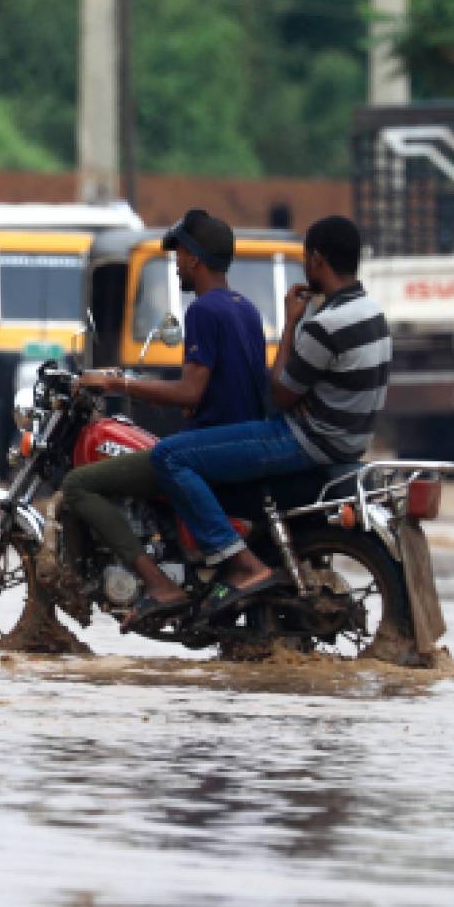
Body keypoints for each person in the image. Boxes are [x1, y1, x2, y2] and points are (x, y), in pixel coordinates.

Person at [149, 215, 391, 620]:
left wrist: (292, 321)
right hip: (348, 442)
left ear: (316, 260)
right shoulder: (372, 314)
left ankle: (242, 566)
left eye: (305, 259)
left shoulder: (324, 325)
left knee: (169, 457)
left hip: (305, 440)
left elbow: (280, 394)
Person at [58, 208, 269, 628]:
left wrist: (119, 384)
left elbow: (190, 390)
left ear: (194, 257)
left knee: (78, 485)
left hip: (207, 451)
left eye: (178, 257)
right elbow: (211, 391)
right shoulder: (245, 309)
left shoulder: (204, 311)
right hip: (236, 442)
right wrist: (170, 398)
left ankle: (158, 584)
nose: (175, 266)